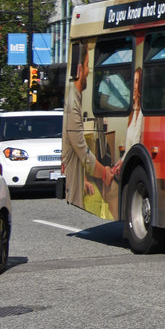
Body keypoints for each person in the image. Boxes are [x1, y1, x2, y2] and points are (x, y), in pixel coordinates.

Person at [61, 42, 115, 216]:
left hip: (78, 180)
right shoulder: (72, 104)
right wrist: (104, 173)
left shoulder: (75, 100)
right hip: (74, 185)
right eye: (86, 66)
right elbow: (82, 150)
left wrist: (83, 178)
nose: (88, 71)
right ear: (79, 69)